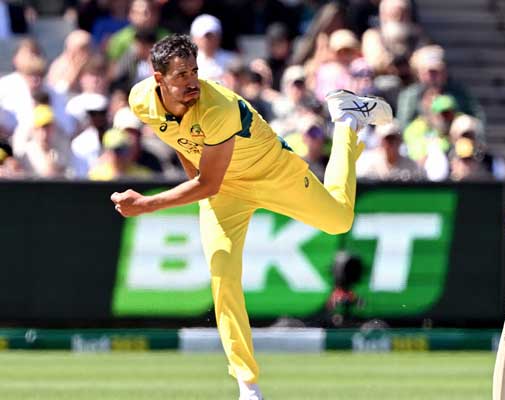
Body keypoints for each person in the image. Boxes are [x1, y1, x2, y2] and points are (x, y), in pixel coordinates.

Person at [112, 34, 392, 400]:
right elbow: (183, 145)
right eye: (181, 74)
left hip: (271, 173)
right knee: (223, 278)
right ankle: (248, 385)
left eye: (195, 71)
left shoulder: (217, 107)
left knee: (339, 220)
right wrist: (189, 179)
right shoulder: (140, 100)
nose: (192, 81)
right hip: (224, 193)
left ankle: (346, 122)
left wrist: (148, 205)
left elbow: (208, 183)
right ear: (158, 78)